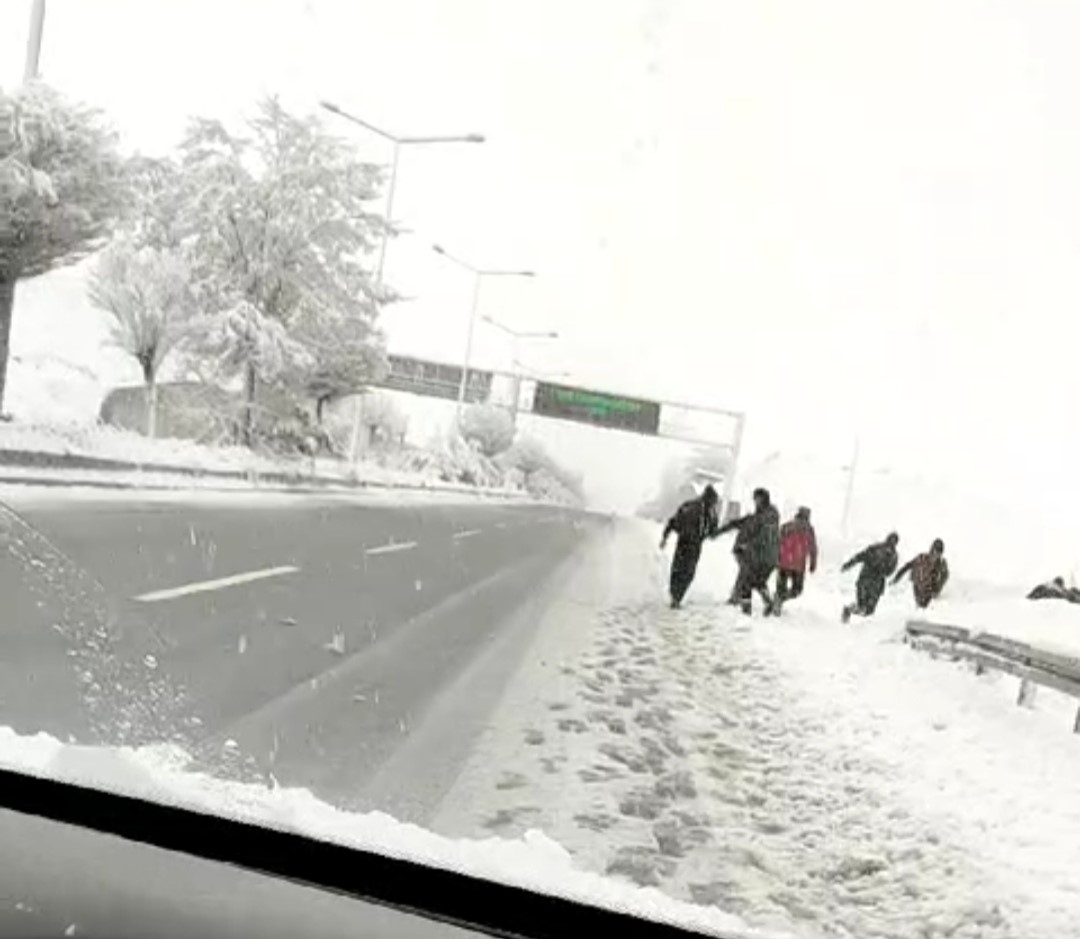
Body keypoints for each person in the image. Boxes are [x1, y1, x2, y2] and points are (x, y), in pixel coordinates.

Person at [717, 487, 781, 616]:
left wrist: (746, 545)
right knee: (754, 580)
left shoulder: (768, 517)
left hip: (762, 556)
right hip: (760, 555)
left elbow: (764, 537)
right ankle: (762, 603)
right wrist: (720, 531)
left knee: (748, 579)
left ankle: (746, 610)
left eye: (757, 498)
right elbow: (738, 523)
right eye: (755, 499)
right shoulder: (758, 516)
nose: (755, 501)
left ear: (764, 499)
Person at [660, 484, 720, 609]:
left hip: (688, 544)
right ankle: (676, 598)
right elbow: (712, 532)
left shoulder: (695, 507)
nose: (714, 504)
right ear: (708, 498)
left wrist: (665, 537)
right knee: (685, 572)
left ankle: (675, 597)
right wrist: (665, 537)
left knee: (681, 570)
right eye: (713, 502)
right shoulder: (700, 509)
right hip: (689, 544)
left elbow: (672, 522)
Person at [840, 532, 899, 622]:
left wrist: (849, 564)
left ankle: (850, 612)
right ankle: (848, 612)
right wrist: (849, 564)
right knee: (863, 608)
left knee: (868, 610)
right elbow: (861, 556)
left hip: (875, 584)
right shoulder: (876, 549)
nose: (891, 544)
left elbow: (890, 571)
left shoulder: (892, 555)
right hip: (867, 581)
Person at [774, 506, 818, 614]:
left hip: (783, 563)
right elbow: (813, 548)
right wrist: (813, 563)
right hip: (798, 566)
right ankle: (780, 599)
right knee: (797, 590)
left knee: (781, 588)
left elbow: (776, 542)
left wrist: (775, 557)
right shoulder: (809, 529)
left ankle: (778, 600)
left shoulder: (786, 526)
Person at [893, 538, 949, 610]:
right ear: (932, 550)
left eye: (938, 553)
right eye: (935, 552)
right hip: (917, 585)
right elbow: (908, 566)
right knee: (919, 605)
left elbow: (945, 576)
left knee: (924, 606)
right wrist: (897, 578)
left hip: (929, 589)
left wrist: (937, 589)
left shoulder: (941, 563)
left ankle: (921, 613)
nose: (936, 555)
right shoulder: (922, 557)